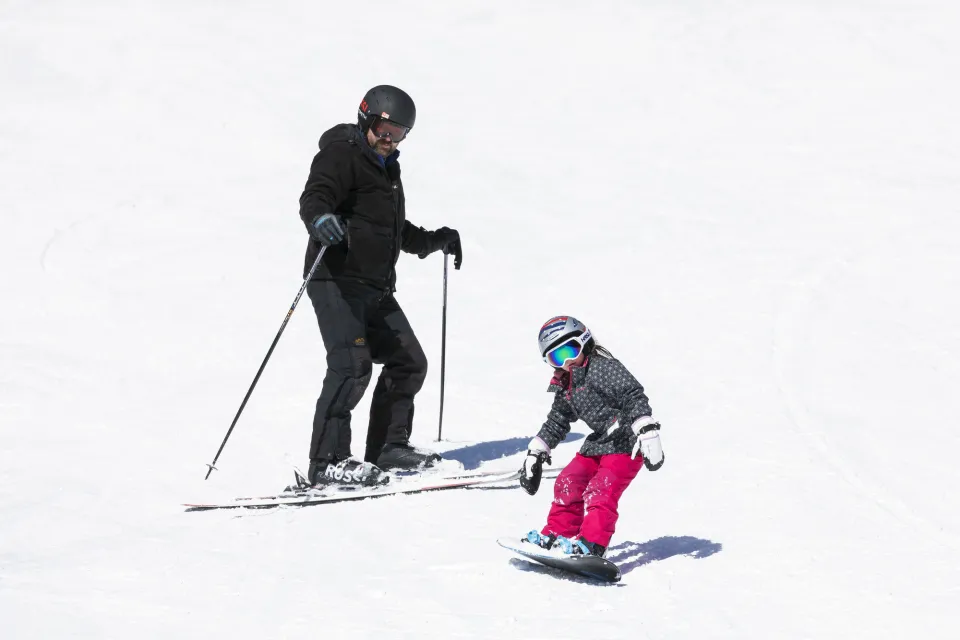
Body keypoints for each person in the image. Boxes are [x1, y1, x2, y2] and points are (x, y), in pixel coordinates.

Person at [298, 85, 462, 487]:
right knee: (351, 367)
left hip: (375, 287)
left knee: (409, 362)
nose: (389, 140)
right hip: (335, 280)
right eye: (384, 129)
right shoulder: (340, 154)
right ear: (366, 119)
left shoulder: (388, 171)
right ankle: (327, 462)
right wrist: (320, 220)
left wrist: (435, 240)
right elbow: (314, 197)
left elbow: (391, 230)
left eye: (399, 133)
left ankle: (387, 447)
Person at [518, 316, 665, 557]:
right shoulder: (566, 384)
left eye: (570, 350)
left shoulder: (604, 367)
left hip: (626, 443)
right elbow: (558, 420)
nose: (566, 362)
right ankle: (559, 534)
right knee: (567, 481)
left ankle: (592, 545)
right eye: (556, 357)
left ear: (584, 342)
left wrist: (646, 429)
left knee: (600, 490)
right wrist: (537, 451)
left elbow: (633, 396)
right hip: (598, 444)